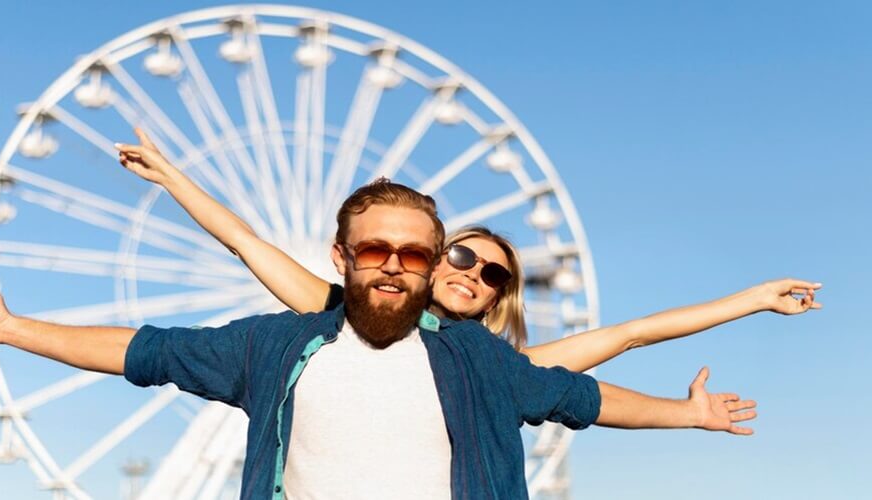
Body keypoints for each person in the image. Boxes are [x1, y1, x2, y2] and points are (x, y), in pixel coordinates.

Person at [0, 180, 761, 499]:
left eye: (421, 254)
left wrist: (691, 407)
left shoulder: (488, 365)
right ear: (342, 258)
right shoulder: (284, 341)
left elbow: (594, 386)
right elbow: (151, 348)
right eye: (379, 250)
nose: (401, 264)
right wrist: (12, 329)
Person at [114, 129, 822, 372]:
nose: (474, 273)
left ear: (495, 299)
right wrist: (173, 177)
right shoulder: (336, 311)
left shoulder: (499, 367)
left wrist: (754, 299)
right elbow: (246, 243)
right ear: (427, 261)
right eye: (460, 256)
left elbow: (634, 333)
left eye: (492, 275)